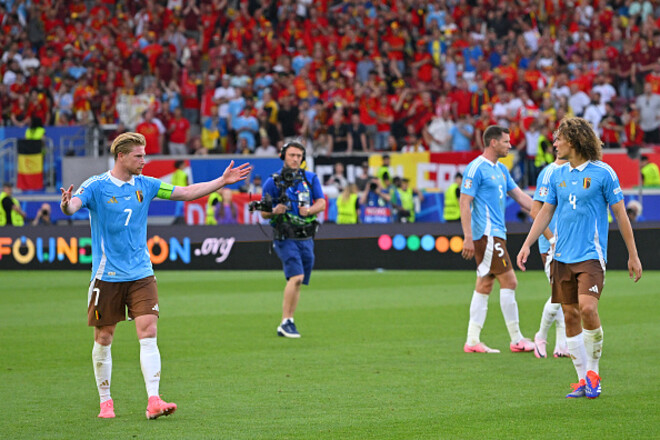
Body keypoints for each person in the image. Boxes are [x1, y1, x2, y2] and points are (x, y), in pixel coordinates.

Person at [59, 132, 250, 419]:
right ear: (121, 156)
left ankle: (154, 400)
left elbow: (185, 193)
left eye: (144, 154)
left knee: (148, 332)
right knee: (104, 337)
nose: (144, 161)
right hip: (107, 276)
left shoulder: (146, 185)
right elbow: (73, 205)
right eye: (138, 155)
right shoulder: (97, 186)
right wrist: (65, 204)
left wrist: (221, 182)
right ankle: (105, 401)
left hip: (141, 273)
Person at [517, 117, 642, 399]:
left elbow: (621, 214)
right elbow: (545, 212)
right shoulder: (556, 174)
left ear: (573, 141)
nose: (554, 143)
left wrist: (633, 255)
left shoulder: (604, 173)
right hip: (561, 255)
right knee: (570, 314)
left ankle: (593, 372)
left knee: (587, 309)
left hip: (590, 256)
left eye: (558, 139)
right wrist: (527, 244)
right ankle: (582, 380)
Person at [460, 125, 536, 354]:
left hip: (496, 234)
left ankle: (472, 340)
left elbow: (521, 197)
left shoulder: (501, 170)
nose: (510, 145)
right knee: (510, 281)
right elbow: (465, 202)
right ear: (493, 142)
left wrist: (546, 211)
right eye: (505, 141)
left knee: (484, 284)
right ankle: (516, 339)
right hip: (487, 234)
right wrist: (468, 237)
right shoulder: (476, 168)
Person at [260, 140, 325, 338]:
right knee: (296, 276)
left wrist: (310, 210)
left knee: (299, 280)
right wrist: (274, 211)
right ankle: (285, 321)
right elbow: (263, 213)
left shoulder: (310, 178)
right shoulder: (272, 182)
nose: (296, 159)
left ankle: (290, 320)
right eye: (292, 155)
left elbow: (321, 202)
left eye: (299, 156)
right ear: (283, 156)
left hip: (305, 235)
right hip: (285, 235)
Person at [530, 158, 569, 359]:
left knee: (565, 294)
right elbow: (535, 210)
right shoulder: (549, 172)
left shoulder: (575, 170)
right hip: (552, 244)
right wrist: (551, 238)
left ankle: (562, 345)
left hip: (570, 242)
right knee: (560, 292)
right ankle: (541, 336)